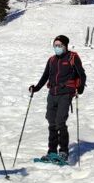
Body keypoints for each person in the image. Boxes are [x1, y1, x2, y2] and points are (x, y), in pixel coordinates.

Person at [30, 35, 87, 163]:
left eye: (60, 45)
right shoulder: (51, 60)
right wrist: (36, 88)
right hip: (52, 94)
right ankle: (52, 151)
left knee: (60, 121)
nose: (57, 48)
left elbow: (82, 74)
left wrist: (80, 87)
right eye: (55, 45)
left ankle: (63, 151)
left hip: (65, 93)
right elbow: (45, 76)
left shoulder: (72, 57)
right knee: (52, 122)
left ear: (65, 46)